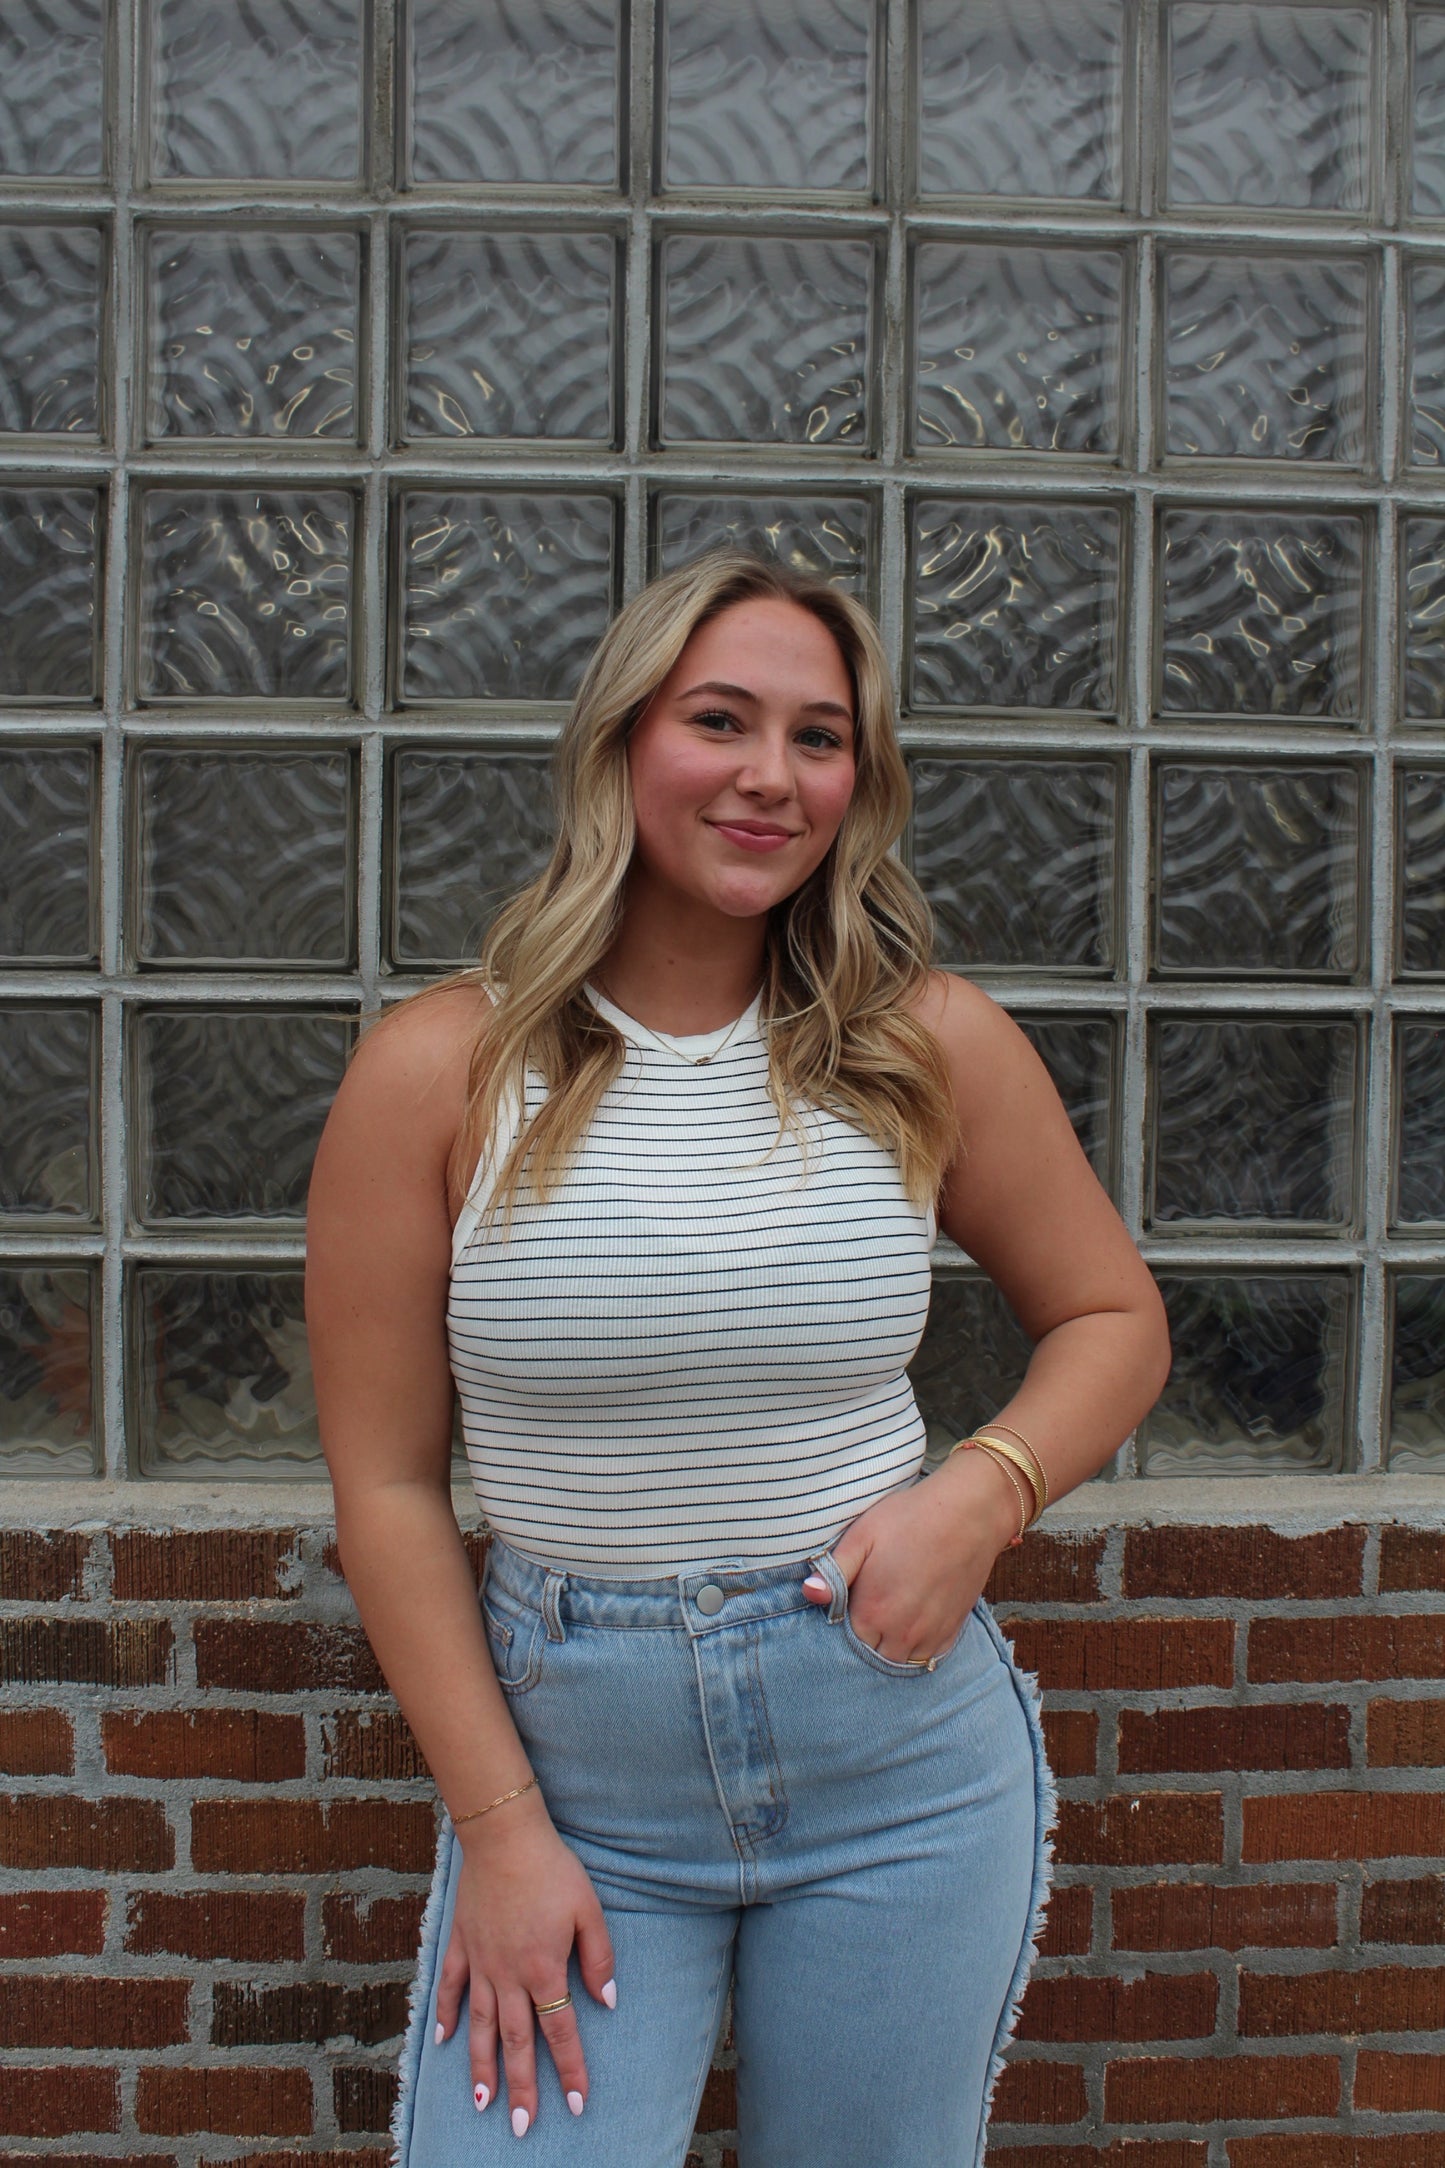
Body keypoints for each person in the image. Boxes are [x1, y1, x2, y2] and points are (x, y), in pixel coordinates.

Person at [305, 552, 1171, 2167]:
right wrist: (502, 1839)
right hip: (574, 1783)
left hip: (897, 1765)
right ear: (624, 744)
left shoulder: (925, 1045)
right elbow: (388, 1485)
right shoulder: (436, 1074)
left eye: (819, 738)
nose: (772, 777)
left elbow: (1113, 1320)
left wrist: (981, 1493)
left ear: (859, 780)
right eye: (721, 721)